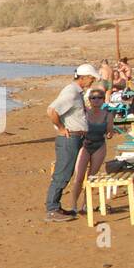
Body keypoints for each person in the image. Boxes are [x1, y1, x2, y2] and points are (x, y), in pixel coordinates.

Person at [45, 65, 98, 222]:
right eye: (91, 78)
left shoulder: (76, 92)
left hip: (76, 137)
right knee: (62, 173)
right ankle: (52, 209)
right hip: (69, 139)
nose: (92, 81)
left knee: (65, 173)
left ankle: (56, 207)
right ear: (83, 77)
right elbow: (51, 110)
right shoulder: (71, 92)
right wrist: (61, 128)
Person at [66, 88, 114, 214]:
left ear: (104, 100)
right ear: (89, 100)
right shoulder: (84, 113)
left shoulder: (108, 115)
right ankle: (74, 206)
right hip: (85, 145)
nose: (96, 100)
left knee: (91, 178)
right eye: (93, 98)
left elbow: (110, 131)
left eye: (99, 98)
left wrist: (110, 133)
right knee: (79, 177)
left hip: (99, 145)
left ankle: (85, 205)